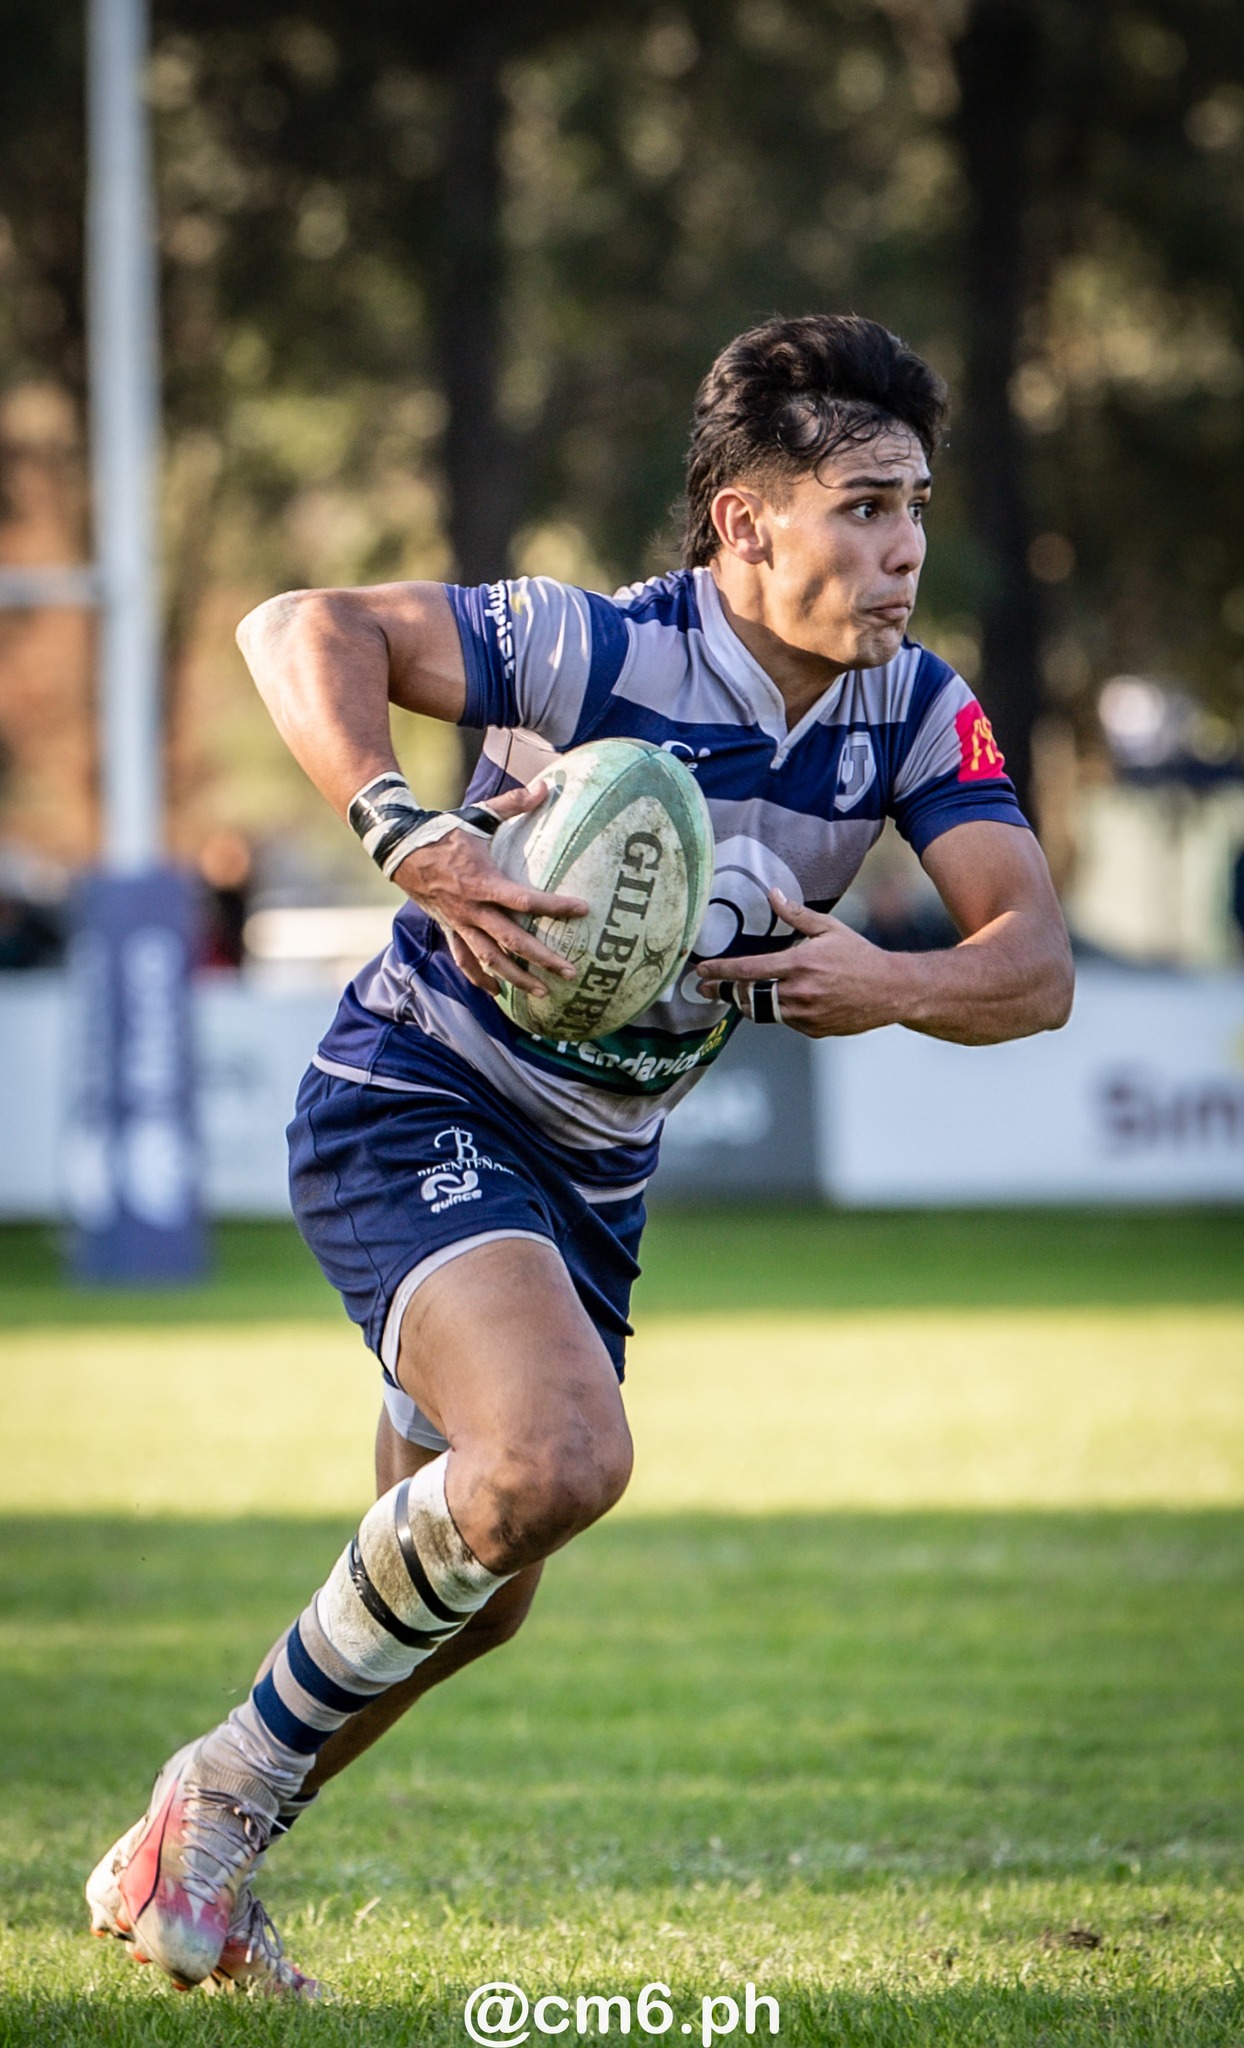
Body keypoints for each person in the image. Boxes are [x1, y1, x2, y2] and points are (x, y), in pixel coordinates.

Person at [84, 314, 1073, 1999]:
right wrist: (408, 833)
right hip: (420, 1095)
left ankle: (204, 1849)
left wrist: (894, 982)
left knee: (478, 1589)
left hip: (592, 1180)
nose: (904, 547)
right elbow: (298, 624)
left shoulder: (917, 712)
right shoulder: (592, 647)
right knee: (555, 1457)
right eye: (862, 506)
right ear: (744, 522)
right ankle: (215, 1802)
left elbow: (1034, 965)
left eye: (915, 505)